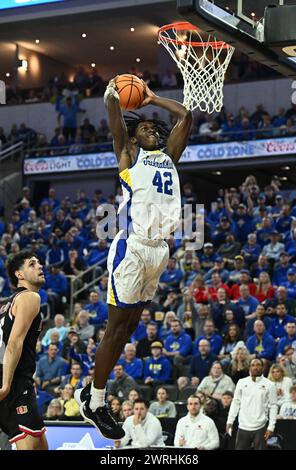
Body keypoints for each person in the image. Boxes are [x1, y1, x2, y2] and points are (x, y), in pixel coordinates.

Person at [75, 76, 192, 439]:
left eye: (152, 128)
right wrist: (113, 96)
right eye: (142, 128)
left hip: (160, 250)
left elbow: (185, 115)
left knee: (129, 328)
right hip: (133, 247)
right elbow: (115, 119)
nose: (151, 131)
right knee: (115, 326)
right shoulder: (128, 156)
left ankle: (92, 394)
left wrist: (153, 98)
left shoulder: (169, 157)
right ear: (134, 138)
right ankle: (93, 400)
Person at [0, 251, 48, 450]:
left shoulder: (4, 304)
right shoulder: (30, 297)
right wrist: (6, 385)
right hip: (13, 383)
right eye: (32, 264)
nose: (40, 266)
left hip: (19, 381)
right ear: (19, 274)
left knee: (40, 445)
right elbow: (14, 343)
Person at [226, 358, 278, 450]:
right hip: (243, 426)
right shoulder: (241, 382)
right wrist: (230, 421)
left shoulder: (270, 384)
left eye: (258, 365)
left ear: (263, 368)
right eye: (253, 365)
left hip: (260, 427)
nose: (255, 367)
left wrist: (271, 427)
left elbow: (273, 406)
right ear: (249, 368)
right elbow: (235, 403)